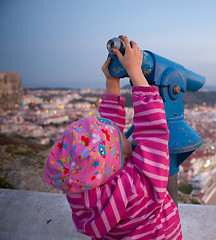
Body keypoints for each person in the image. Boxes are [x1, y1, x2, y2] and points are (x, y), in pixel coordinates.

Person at [44, 36, 182, 239]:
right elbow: (153, 132)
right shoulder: (141, 186)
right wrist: (135, 72)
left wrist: (112, 81)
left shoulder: (82, 191)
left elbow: (107, 143)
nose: (124, 133)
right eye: (121, 137)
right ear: (123, 154)